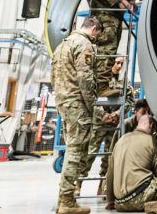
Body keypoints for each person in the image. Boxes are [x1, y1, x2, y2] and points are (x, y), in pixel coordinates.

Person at [52, 17, 117, 214]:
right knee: (76, 152)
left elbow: (53, 77)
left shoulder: (62, 45)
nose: (98, 38)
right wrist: (94, 108)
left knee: (73, 148)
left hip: (64, 101)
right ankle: (66, 201)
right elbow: (86, 80)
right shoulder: (85, 44)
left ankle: (64, 198)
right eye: (98, 33)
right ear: (95, 29)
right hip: (77, 104)